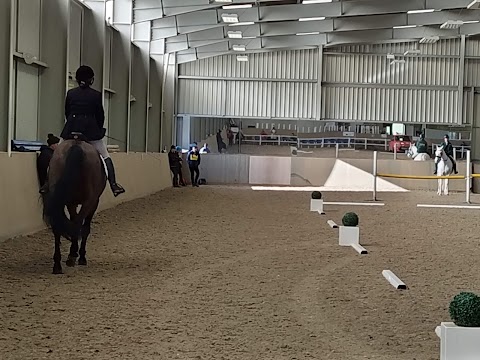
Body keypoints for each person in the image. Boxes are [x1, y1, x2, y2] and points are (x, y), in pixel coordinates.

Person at [40, 65, 125, 197]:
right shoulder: (96, 95)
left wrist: (73, 123)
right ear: (91, 80)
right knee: (105, 156)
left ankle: (47, 183)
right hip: (90, 132)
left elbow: (67, 112)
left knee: (57, 154)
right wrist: (97, 129)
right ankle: (114, 185)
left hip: (70, 130)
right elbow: (100, 116)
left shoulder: (71, 93)